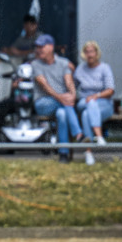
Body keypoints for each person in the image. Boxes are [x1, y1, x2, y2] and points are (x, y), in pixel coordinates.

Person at [31, 34, 83, 163]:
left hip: (62, 103)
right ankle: (78, 132)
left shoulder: (63, 63)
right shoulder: (35, 64)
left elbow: (69, 82)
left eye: (42, 46)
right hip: (43, 103)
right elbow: (44, 86)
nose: (38, 49)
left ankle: (63, 154)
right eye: (37, 47)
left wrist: (72, 95)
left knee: (62, 114)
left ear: (51, 47)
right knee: (64, 106)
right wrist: (62, 98)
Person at [0, 14, 42, 139]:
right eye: (25, 25)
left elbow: (27, 52)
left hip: (37, 99)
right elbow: (12, 50)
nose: (27, 27)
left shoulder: (42, 62)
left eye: (30, 25)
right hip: (21, 94)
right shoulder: (22, 40)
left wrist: (19, 52)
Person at [74, 41, 115, 165]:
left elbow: (110, 90)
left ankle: (89, 153)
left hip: (104, 104)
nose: (89, 55)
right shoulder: (80, 69)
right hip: (84, 102)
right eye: (87, 52)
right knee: (89, 104)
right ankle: (99, 136)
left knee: (87, 114)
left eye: (92, 51)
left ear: (97, 53)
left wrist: (95, 96)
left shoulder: (105, 68)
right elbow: (73, 87)